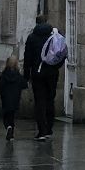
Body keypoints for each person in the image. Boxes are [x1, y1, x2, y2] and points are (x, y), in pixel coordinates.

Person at [23, 11, 56, 141]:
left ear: (37, 23)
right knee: (50, 100)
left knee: (40, 102)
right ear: (46, 22)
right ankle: (49, 129)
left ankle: (42, 130)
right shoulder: (54, 36)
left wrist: (26, 76)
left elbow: (27, 58)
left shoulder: (32, 38)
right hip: (52, 73)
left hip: (37, 73)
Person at [0, 54, 26, 141]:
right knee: (12, 116)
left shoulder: (4, 75)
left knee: (6, 115)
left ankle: (8, 127)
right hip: (15, 98)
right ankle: (11, 133)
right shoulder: (18, 76)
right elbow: (24, 84)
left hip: (6, 98)